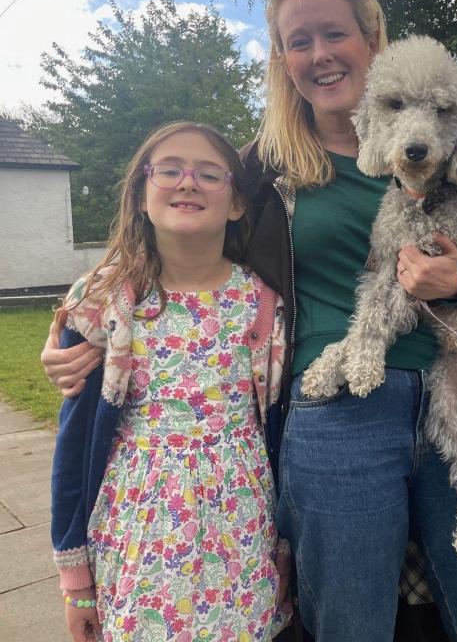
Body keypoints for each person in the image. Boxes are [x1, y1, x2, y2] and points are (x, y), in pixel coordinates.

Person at [43, 0, 457, 642]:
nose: (319, 54)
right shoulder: (265, 166)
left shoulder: (436, 147)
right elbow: (167, 228)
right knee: (351, 625)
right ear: (282, 59)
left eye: (333, 34)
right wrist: (78, 327)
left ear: (370, 40)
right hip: (341, 418)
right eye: (298, 41)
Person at [49, 122, 291, 642]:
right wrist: (76, 583)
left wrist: (285, 545)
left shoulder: (263, 304)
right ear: (140, 193)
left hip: (242, 535)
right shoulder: (103, 303)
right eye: (170, 170)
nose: (188, 183)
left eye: (209, 174)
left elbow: (279, 435)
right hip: (138, 540)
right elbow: (73, 447)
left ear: (236, 204)